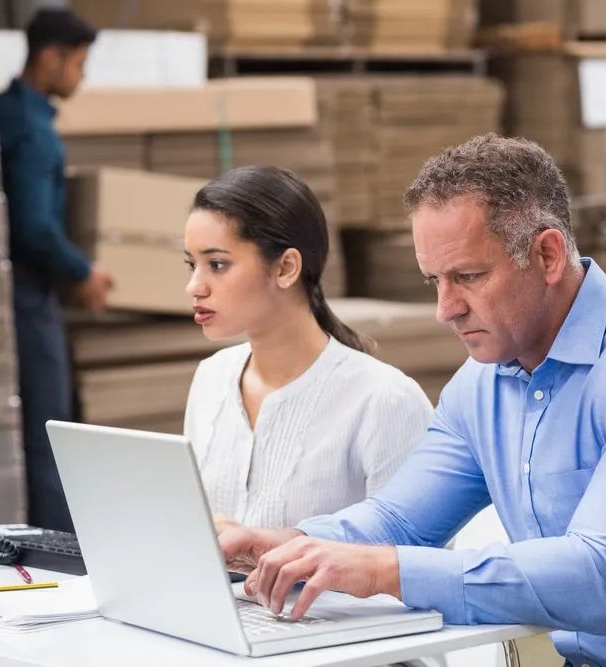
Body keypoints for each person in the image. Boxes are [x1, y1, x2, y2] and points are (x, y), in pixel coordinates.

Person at [218, 135, 606, 667]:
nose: (444, 309)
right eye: (435, 281)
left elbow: (602, 577)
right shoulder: (483, 382)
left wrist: (382, 570)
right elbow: (398, 522)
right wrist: (289, 546)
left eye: (468, 277)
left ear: (549, 256)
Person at [182, 165, 435, 532]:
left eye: (217, 264)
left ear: (286, 267)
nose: (194, 286)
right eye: (192, 264)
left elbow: (414, 557)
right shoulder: (212, 378)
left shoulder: (385, 400)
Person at [0, 8, 114, 532]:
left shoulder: (4, 111)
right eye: (80, 65)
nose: (81, 78)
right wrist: (82, 272)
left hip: (10, 294)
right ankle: (56, 552)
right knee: (49, 430)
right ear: (51, 57)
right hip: (28, 297)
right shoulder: (32, 130)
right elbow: (35, 227)